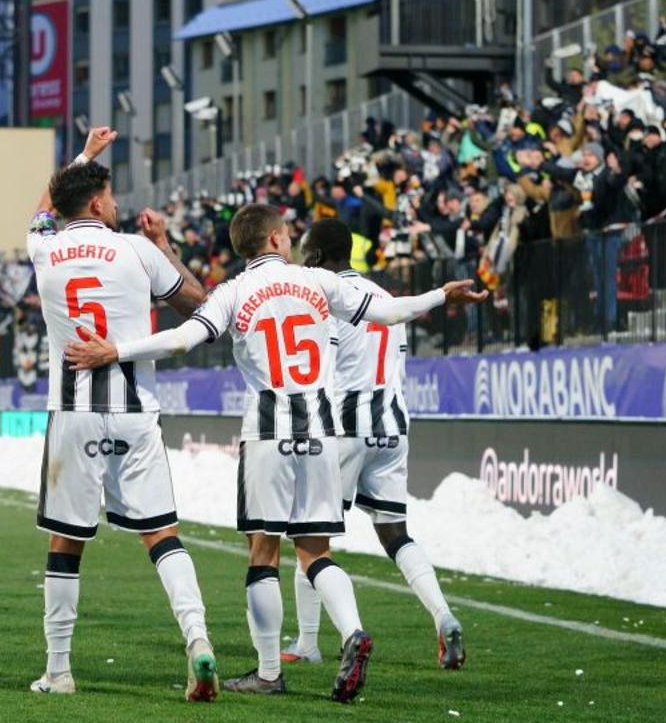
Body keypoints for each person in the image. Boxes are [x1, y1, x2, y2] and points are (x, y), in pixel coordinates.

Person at [66, 203, 485, 702]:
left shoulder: (232, 292)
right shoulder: (318, 282)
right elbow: (391, 311)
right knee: (315, 551)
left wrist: (116, 351)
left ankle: (268, 673)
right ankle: (351, 631)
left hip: (268, 433)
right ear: (275, 240)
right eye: (285, 234)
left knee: (263, 553)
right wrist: (442, 292)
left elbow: (181, 342)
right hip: (324, 431)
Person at [26, 126, 218, 700]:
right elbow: (196, 303)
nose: (116, 204)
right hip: (136, 414)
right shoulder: (134, 249)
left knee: (66, 544)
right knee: (163, 535)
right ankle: (199, 641)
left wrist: (84, 156)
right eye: (108, 196)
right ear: (94, 204)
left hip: (73, 411)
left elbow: (43, 209)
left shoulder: (44, 248)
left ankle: (58, 670)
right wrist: (164, 247)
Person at [280, 218, 466, 670]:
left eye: (307, 253)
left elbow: (318, 366)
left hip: (345, 426)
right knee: (396, 533)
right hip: (392, 425)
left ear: (319, 257)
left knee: (310, 536)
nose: (304, 261)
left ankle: (309, 641)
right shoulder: (385, 298)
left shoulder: (324, 301)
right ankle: (443, 615)